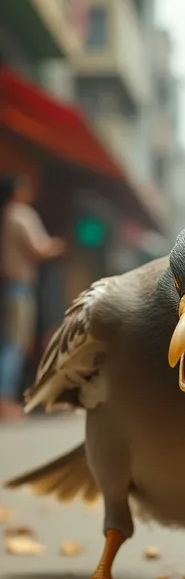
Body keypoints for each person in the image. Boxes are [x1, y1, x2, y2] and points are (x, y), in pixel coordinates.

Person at [0, 174, 66, 420]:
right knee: (15, 346)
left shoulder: (7, 214)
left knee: (15, 344)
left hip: (13, 287)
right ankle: (5, 402)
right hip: (20, 287)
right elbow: (38, 248)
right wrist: (56, 246)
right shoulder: (21, 214)